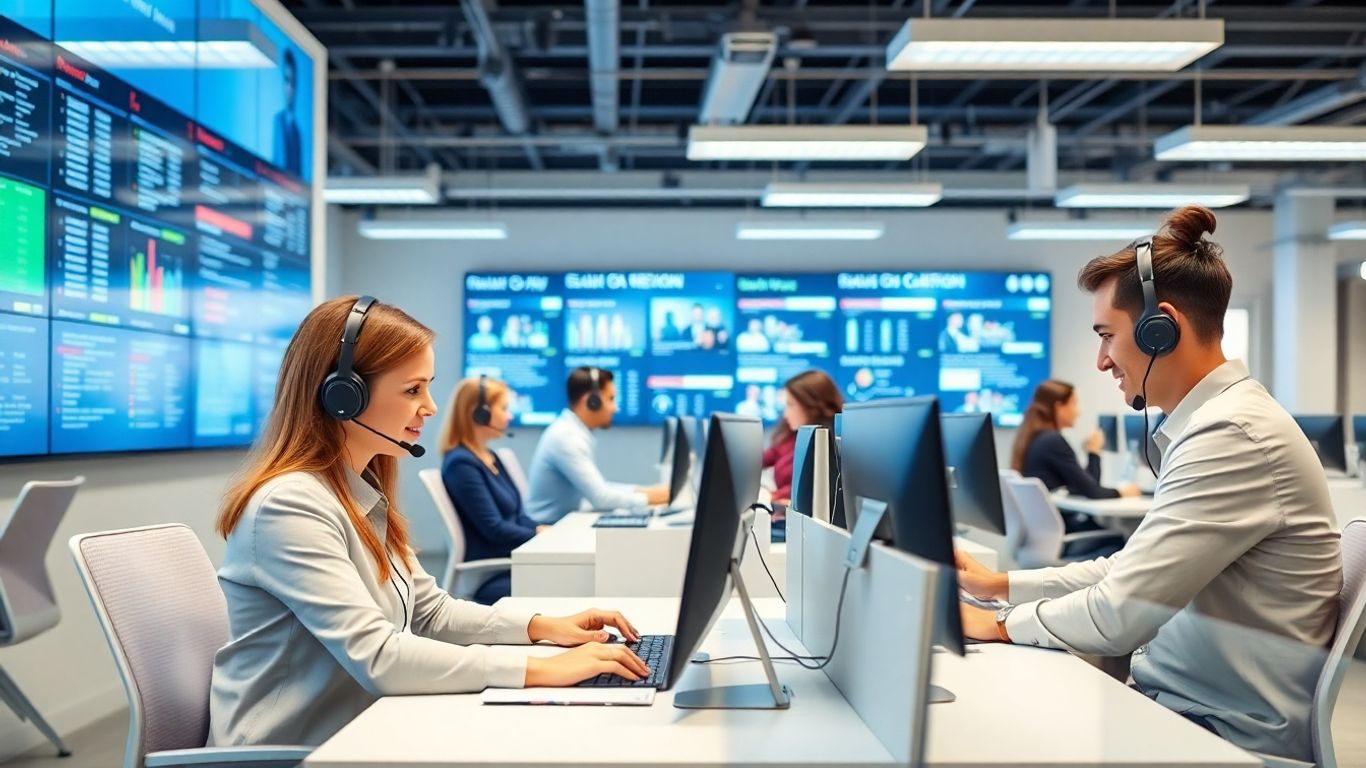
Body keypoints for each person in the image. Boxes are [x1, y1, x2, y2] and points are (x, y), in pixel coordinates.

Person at [955, 206, 1341, 763]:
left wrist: (997, 624)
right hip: (1181, 708)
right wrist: (1001, 586)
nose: (1101, 360)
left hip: (1219, 734)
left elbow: (1118, 615)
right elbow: (1130, 570)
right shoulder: (1214, 424)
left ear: (1162, 328)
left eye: (1107, 336)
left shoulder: (1232, 433)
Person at [209, 296, 649, 748]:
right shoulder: (290, 506)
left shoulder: (359, 492)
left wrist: (546, 627)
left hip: (364, 730)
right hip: (294, 750)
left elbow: (430, 612)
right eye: (413, 390)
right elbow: (379, 656)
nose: (431, 408)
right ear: (343, 396)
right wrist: (538, 668)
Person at [439, 376, 547, 605]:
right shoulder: (461, 464)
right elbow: (494, 529)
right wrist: (539, 536)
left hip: (512, 561)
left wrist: (542, 529)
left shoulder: (493, 457)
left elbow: (517, 516)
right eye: (504, 408)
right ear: (480, 413)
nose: (509, 416)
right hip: (490, 574)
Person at [525, 367, 669, 523]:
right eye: (611, 399)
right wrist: (651, 497)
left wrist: (645, 491)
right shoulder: (566, 438)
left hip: (562, 526)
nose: (615, 408)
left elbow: (601, 488)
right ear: (592, 401)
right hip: (546, 532)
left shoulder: (572, 431)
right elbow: (601, 498)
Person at [1011, 379, 1140, 529]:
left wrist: (1092, 453)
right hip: (1060, 529)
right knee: (1119, 539)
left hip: (1046, 530)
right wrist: (1123, 492)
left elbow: (1081, 486)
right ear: (1059, 407)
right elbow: (1093, 492)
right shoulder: (1052, 440)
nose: (1078, 412)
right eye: (1074, 403)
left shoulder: (1036, 438)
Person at [762, 370, 843, 508]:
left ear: (811, 404)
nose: (786, 414)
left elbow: (813, 489)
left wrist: (774, 496)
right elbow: (762, 459)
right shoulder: (790, 433)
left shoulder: (830, 441)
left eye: (791, 405)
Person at [272, 48, 302, 176]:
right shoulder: (278, 121)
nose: (290, 88)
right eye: (286, 80)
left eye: (292, 82)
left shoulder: (297, 130)